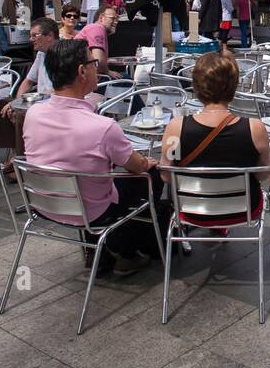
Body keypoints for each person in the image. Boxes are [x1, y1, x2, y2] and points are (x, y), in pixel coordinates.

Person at [21, 39, 170, 276]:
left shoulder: (33, 113)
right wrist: (147, 163)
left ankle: (99, 251)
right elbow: (137, 165)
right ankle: (125, 252)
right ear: (82, 71)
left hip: (43, 204)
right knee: (151, 175)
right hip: (90, 211)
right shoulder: (102, 127)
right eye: (92, 63)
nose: (95, 68)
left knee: (90, 178)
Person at [160, 51, 270, 227]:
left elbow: (166, 175)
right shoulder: (255, 128)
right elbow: (262, 174)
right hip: (244, 209)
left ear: (196, 86)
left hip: (190, 209)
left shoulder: (176, 127)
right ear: (233, 86)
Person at [0, 16, 58, 175]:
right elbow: (28, 81)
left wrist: (20, 105)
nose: (31, 40)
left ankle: (20, 162)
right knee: (0, 106)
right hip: (38, 99)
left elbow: (63, 88)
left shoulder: (62, 54)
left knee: (23, 115)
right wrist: (16, 102)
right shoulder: (41, 54)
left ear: (49, 36)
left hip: (56, 101)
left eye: (34, 35)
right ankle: (11, 155)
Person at [75, 3, 122, 78]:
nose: (116, 22)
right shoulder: (97, 28)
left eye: (117, 19)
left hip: (85, 76)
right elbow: (98, 60)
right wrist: (108, 72)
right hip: (85, 79)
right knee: (127, 80)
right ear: (101, 18)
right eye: (112, 18)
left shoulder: (95, 29)